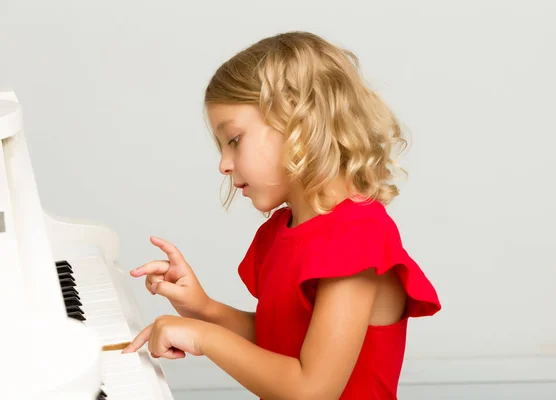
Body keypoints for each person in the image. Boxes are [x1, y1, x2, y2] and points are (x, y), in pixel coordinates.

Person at [122, 31, 441, 399]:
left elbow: (311, 389)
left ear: (299, 125)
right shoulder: (282, 230)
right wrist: (204, 309)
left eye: (234, 140)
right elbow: (279, 342)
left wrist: (202, 337)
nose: (224, 164)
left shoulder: (357, 235)